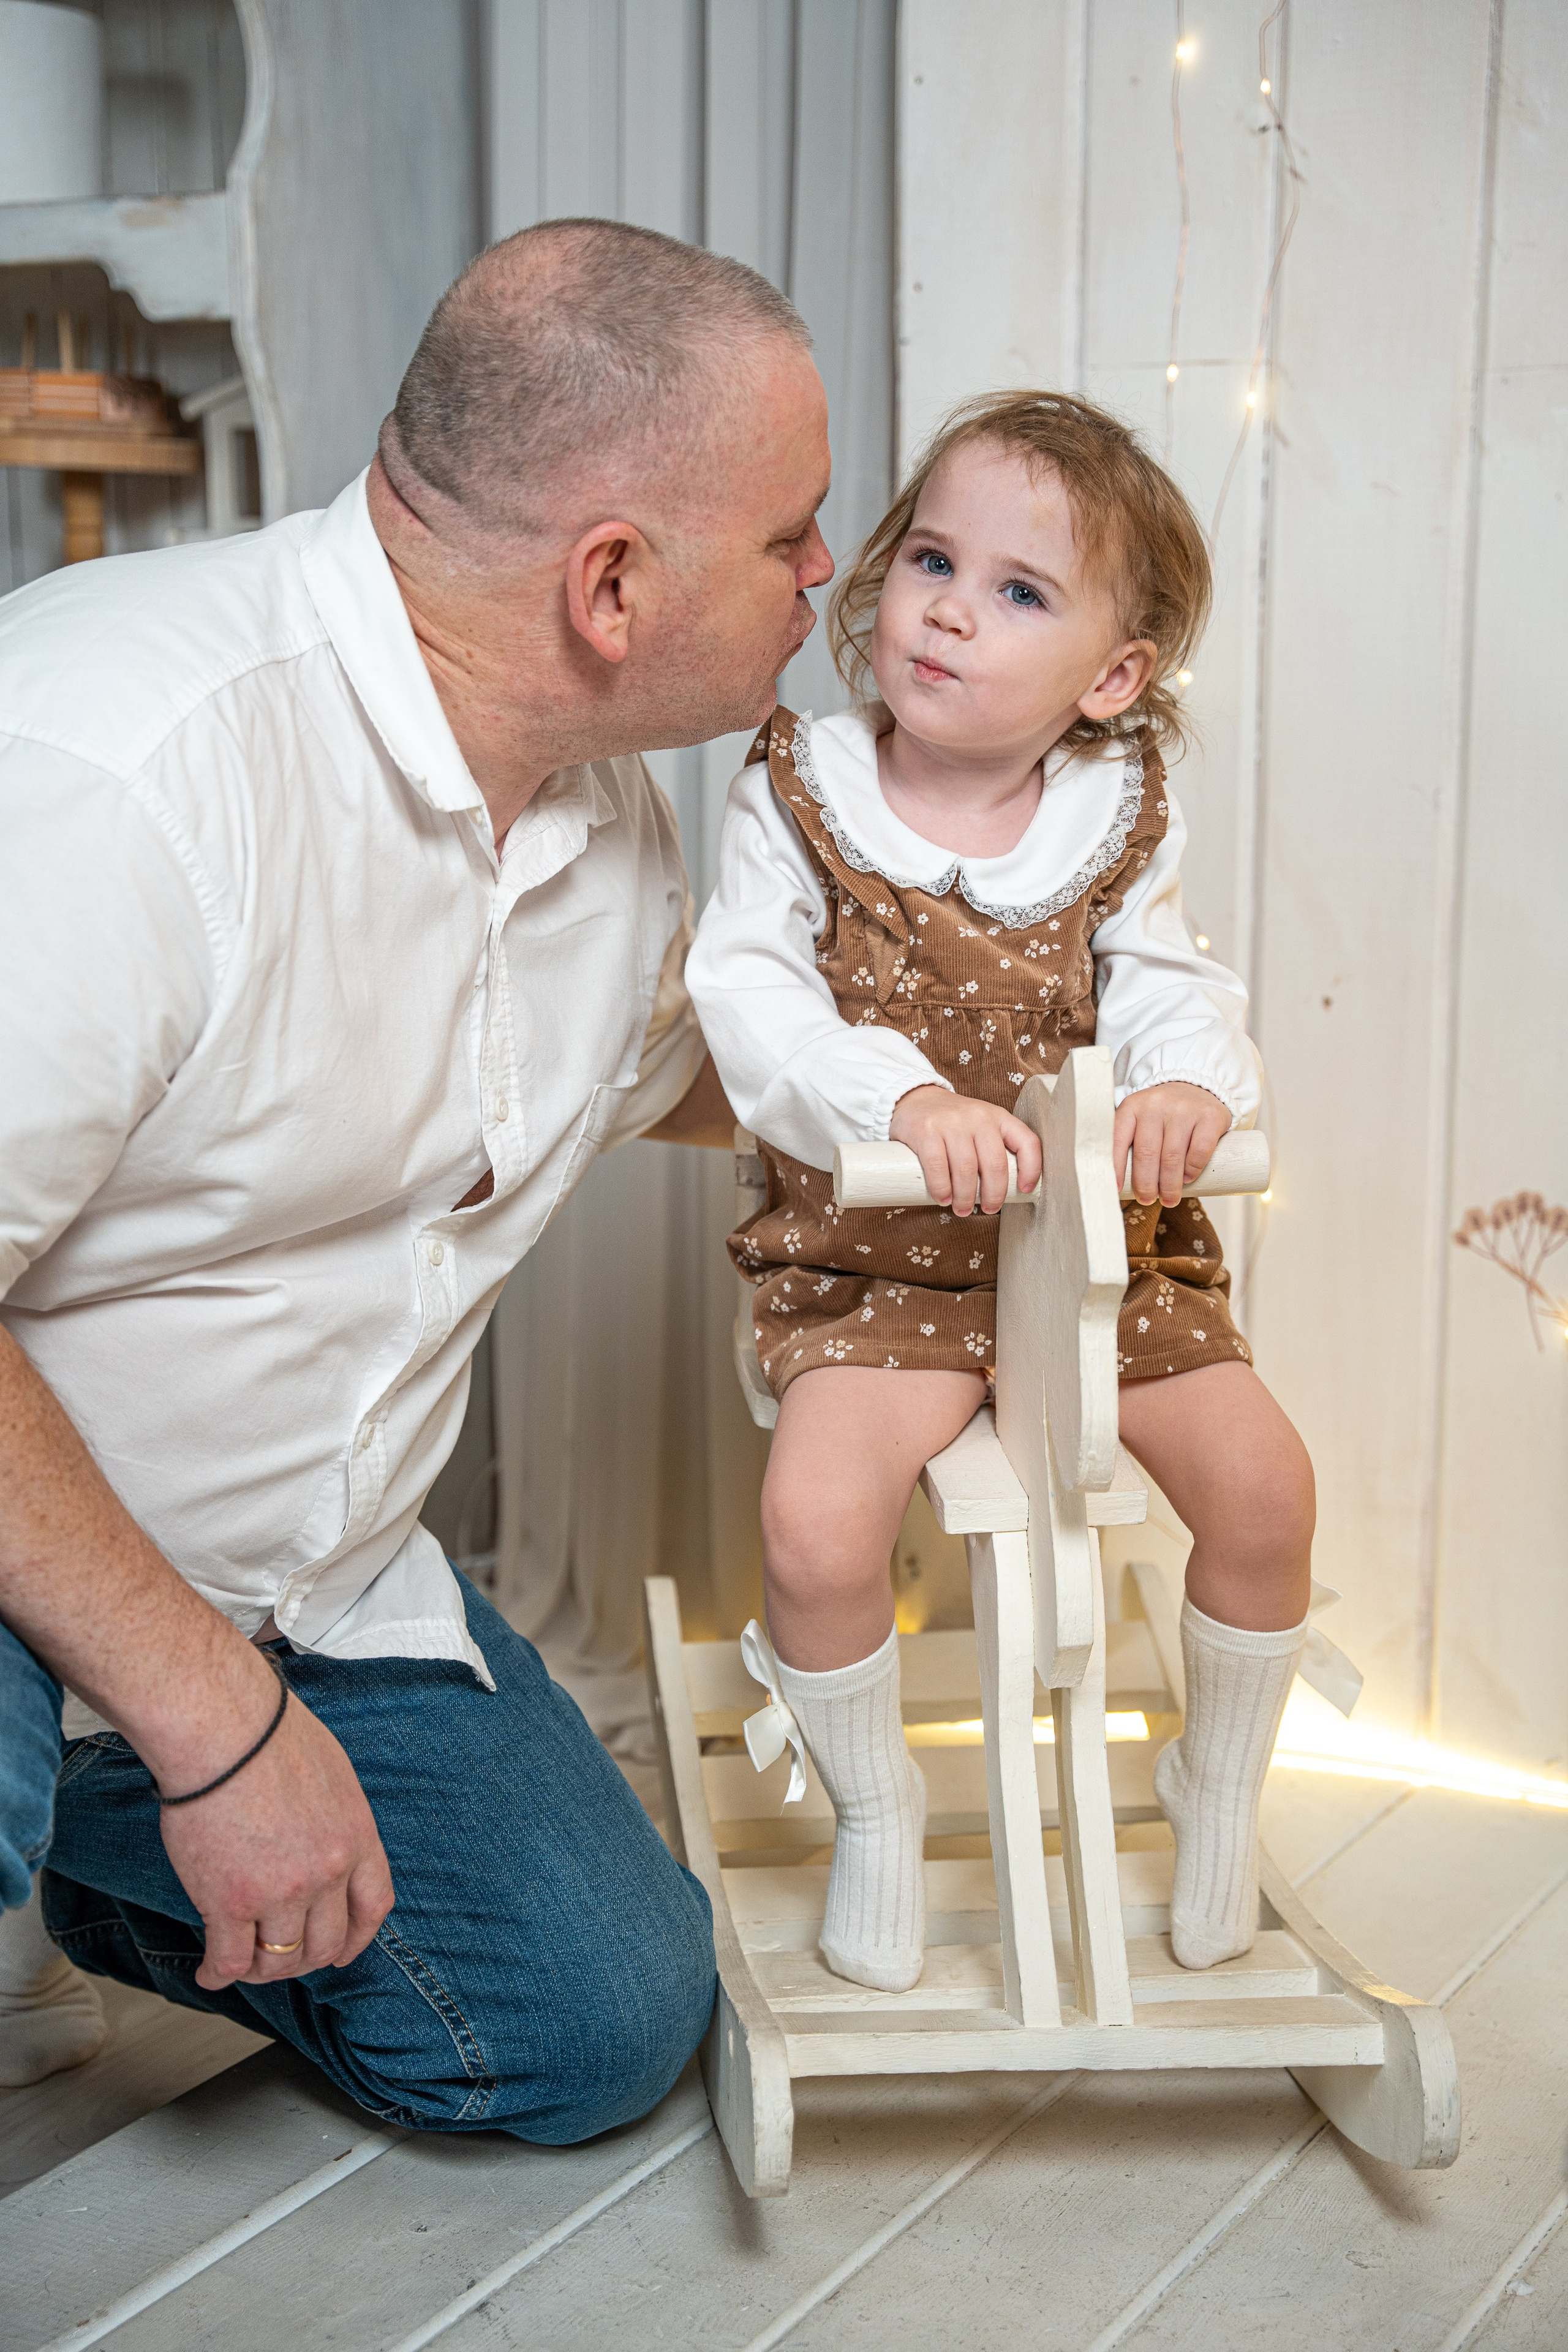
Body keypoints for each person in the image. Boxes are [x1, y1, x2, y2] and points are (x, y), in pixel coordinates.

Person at [0, 217, 832, 2128]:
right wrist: (218, 1733)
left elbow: (672, 1072)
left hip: (309, 1587)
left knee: (597, 2016)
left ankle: (92, 1854)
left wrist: (977, 1057)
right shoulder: (120, 768)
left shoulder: (606, 816)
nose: (823, 577)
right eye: (790, 535)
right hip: (39, 1590)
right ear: (611, 583)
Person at [687, 391, 1316, 1993]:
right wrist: (898, 1099)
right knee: (815, 1524)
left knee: (1265, 1492)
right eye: (932, 560)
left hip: (1095, 1252)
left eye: (1019, 591)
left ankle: (1218, 1784)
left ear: (1111, 678)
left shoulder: (1116, 819)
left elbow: (1170, 985)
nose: (951, 609)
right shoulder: (801, 790)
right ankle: (874, 1807)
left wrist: (1188, 1087)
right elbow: (751, 996)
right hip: (881, 1252)